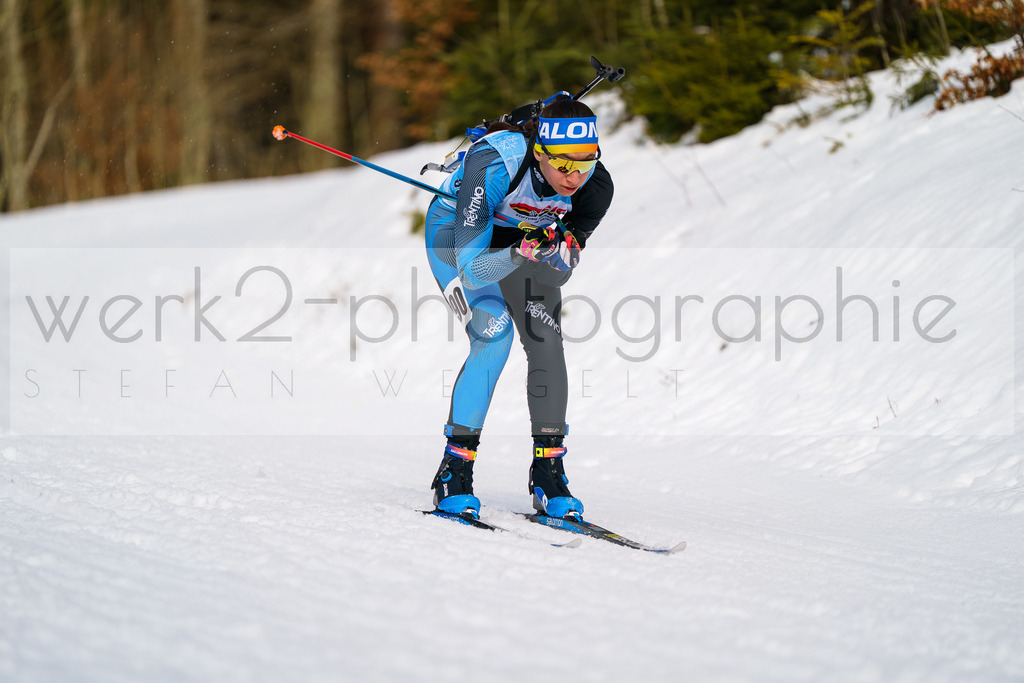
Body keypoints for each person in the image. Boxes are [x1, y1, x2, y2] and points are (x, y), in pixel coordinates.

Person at [423, 94, 613, 520]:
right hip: (459, 239)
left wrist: (557, 254)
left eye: (585, 163)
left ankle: (548, 471)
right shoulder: (495, 162)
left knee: (545, 336)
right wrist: (518, 254)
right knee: (494, 333)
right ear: (539, 151)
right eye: (563, 164)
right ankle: (455, 469)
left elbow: (558, 276)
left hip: (519, 245)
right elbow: (472, 272)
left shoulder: (596, 188)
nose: (574, 177)